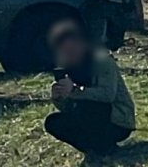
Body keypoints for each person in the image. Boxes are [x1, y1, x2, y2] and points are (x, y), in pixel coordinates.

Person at [44, 19, 136, 156]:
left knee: (90, 107)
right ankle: (94, 149)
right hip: (87, 118)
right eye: (65, 52)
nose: (70, 55)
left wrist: (74, 90)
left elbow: (107, 95)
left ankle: (105, 147)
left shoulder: (102, 60)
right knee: (53, 122)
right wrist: (59, 97)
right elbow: (69, 108)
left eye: (72, 49)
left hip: (117, 120)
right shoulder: (66, 67)